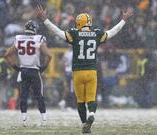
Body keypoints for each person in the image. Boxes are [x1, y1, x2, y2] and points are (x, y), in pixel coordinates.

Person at [36, 5, 133, 133]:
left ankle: (84, 124)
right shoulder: (97, 33)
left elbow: (58, 32)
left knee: (80, 101)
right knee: (92, 98)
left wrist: (45, 20)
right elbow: (113, 31)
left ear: (79, 23)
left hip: (78, 72)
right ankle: (91, 114)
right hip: (92, 71)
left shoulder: (75, 33)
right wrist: (123, 20)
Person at [5, 20, 52, 126]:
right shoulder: (38, 38)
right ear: (35, 29)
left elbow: (7, 54)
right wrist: (44, 67)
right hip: (34, 70)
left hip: (23, 71)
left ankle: (24, 120)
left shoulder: (19, 38)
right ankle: (43, 120)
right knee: (39, 95)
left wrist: (15, 66)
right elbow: (49, 55)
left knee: (23, 96)